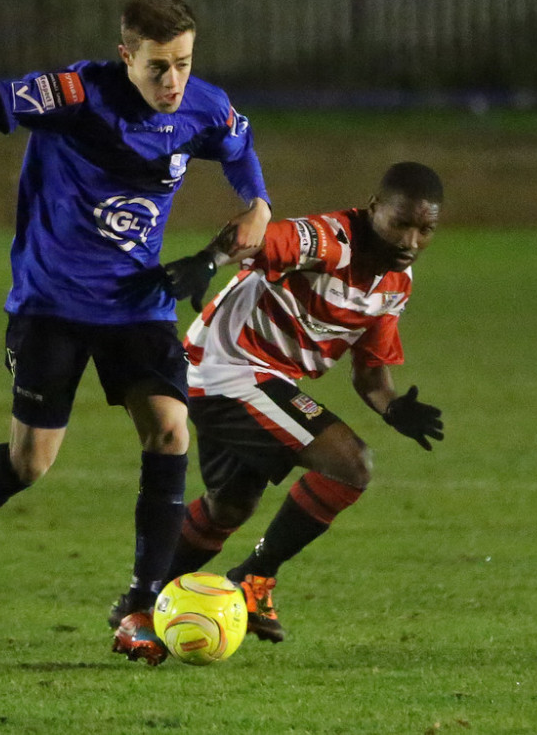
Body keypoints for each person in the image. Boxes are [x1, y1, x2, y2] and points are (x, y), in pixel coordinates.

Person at [0, 0, 272, 666]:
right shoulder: (77, 92)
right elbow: (3, 97)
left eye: (184, 64)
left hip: (138, 304)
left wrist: (259, 205)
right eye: (158, 66)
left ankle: (140, 604)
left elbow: (239, 147)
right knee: (30, 462)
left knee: (169, 431)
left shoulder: (202, 104)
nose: (173, 82)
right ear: (126, 55)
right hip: (52, 303)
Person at [152, 161, 444, 643]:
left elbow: (370, 374)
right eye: (401, 224)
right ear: (374, 210)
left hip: (254, 377)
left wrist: (393, 407)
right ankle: (254, 576)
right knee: (351, 463)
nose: (411, 241)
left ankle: (142, 600)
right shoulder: (328, 240)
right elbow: (257, 236)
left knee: (230, 506)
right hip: (226, 366)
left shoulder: (395, 284)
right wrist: (207, 260)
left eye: (425, 229)